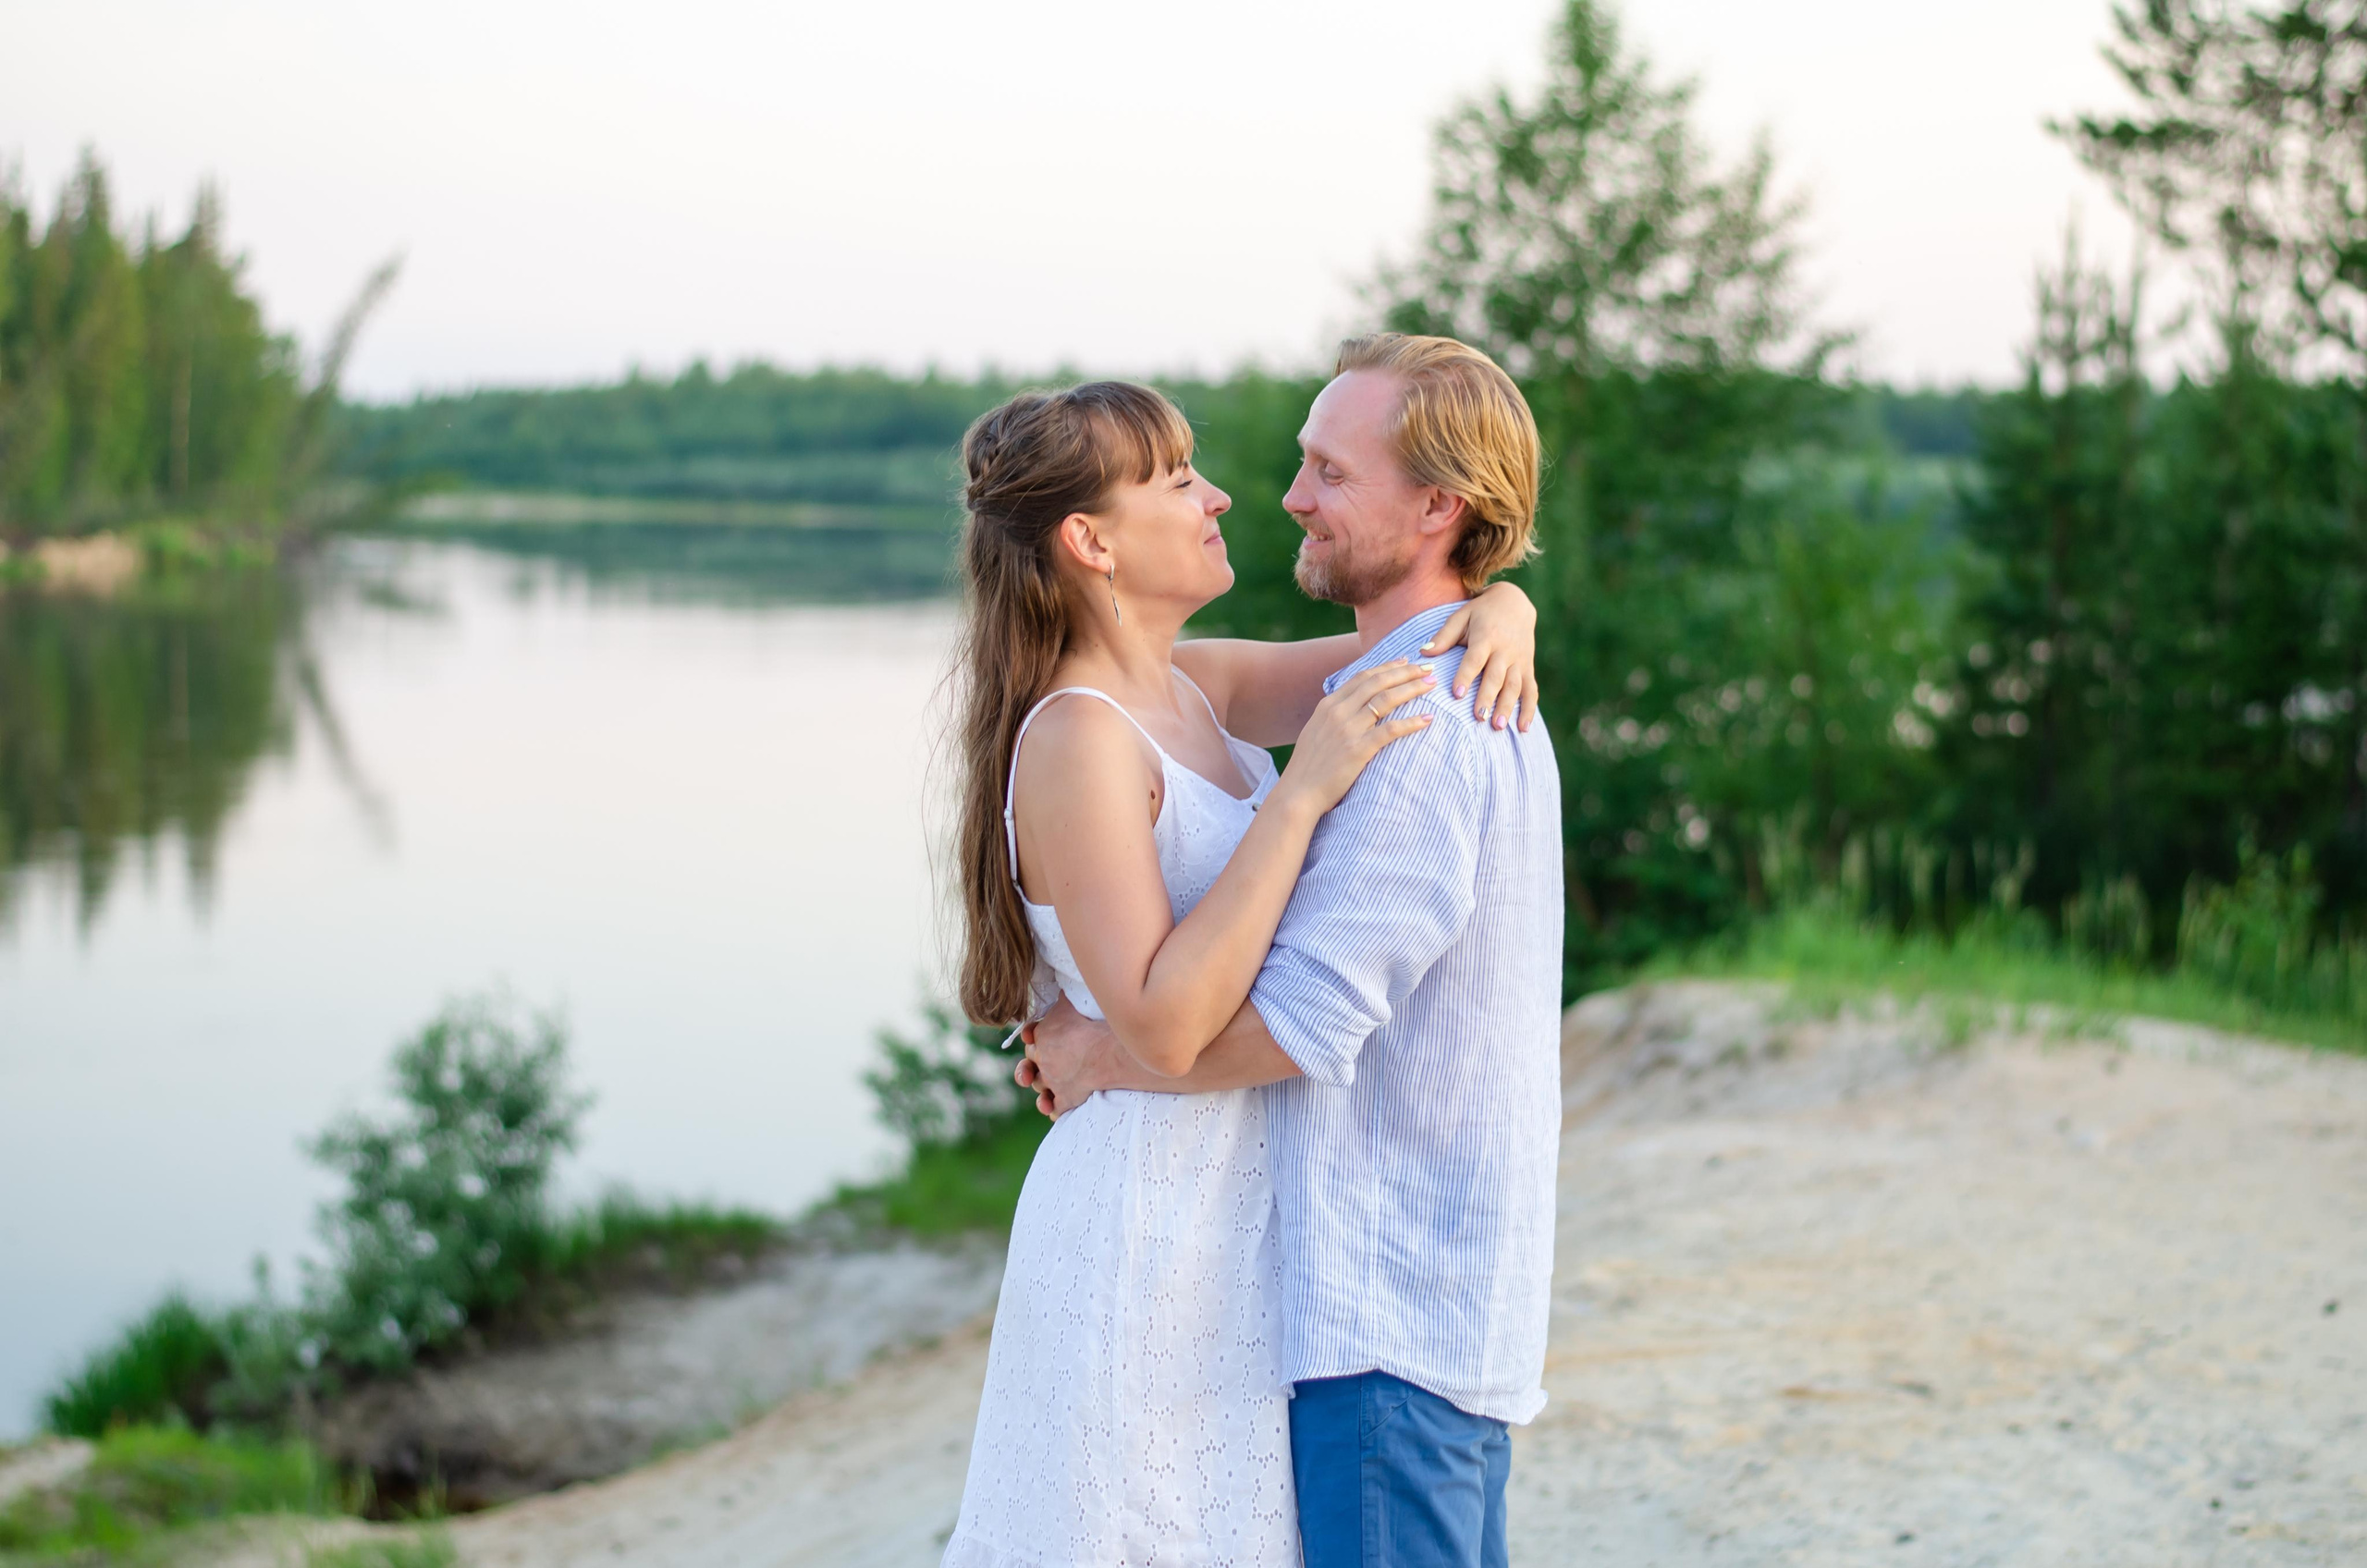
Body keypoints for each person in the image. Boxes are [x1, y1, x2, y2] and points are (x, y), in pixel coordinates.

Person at [939, 373, 1542, 1568]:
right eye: (1176, 480)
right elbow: (1162, 1023)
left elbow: (1413, 653)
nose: (1221, 494)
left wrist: (1510, 604)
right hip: (1150, 1210)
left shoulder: (1194, 688)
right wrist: (1304, 790)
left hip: (1248, 1217)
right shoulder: (1076, 737)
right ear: (1090, 539)